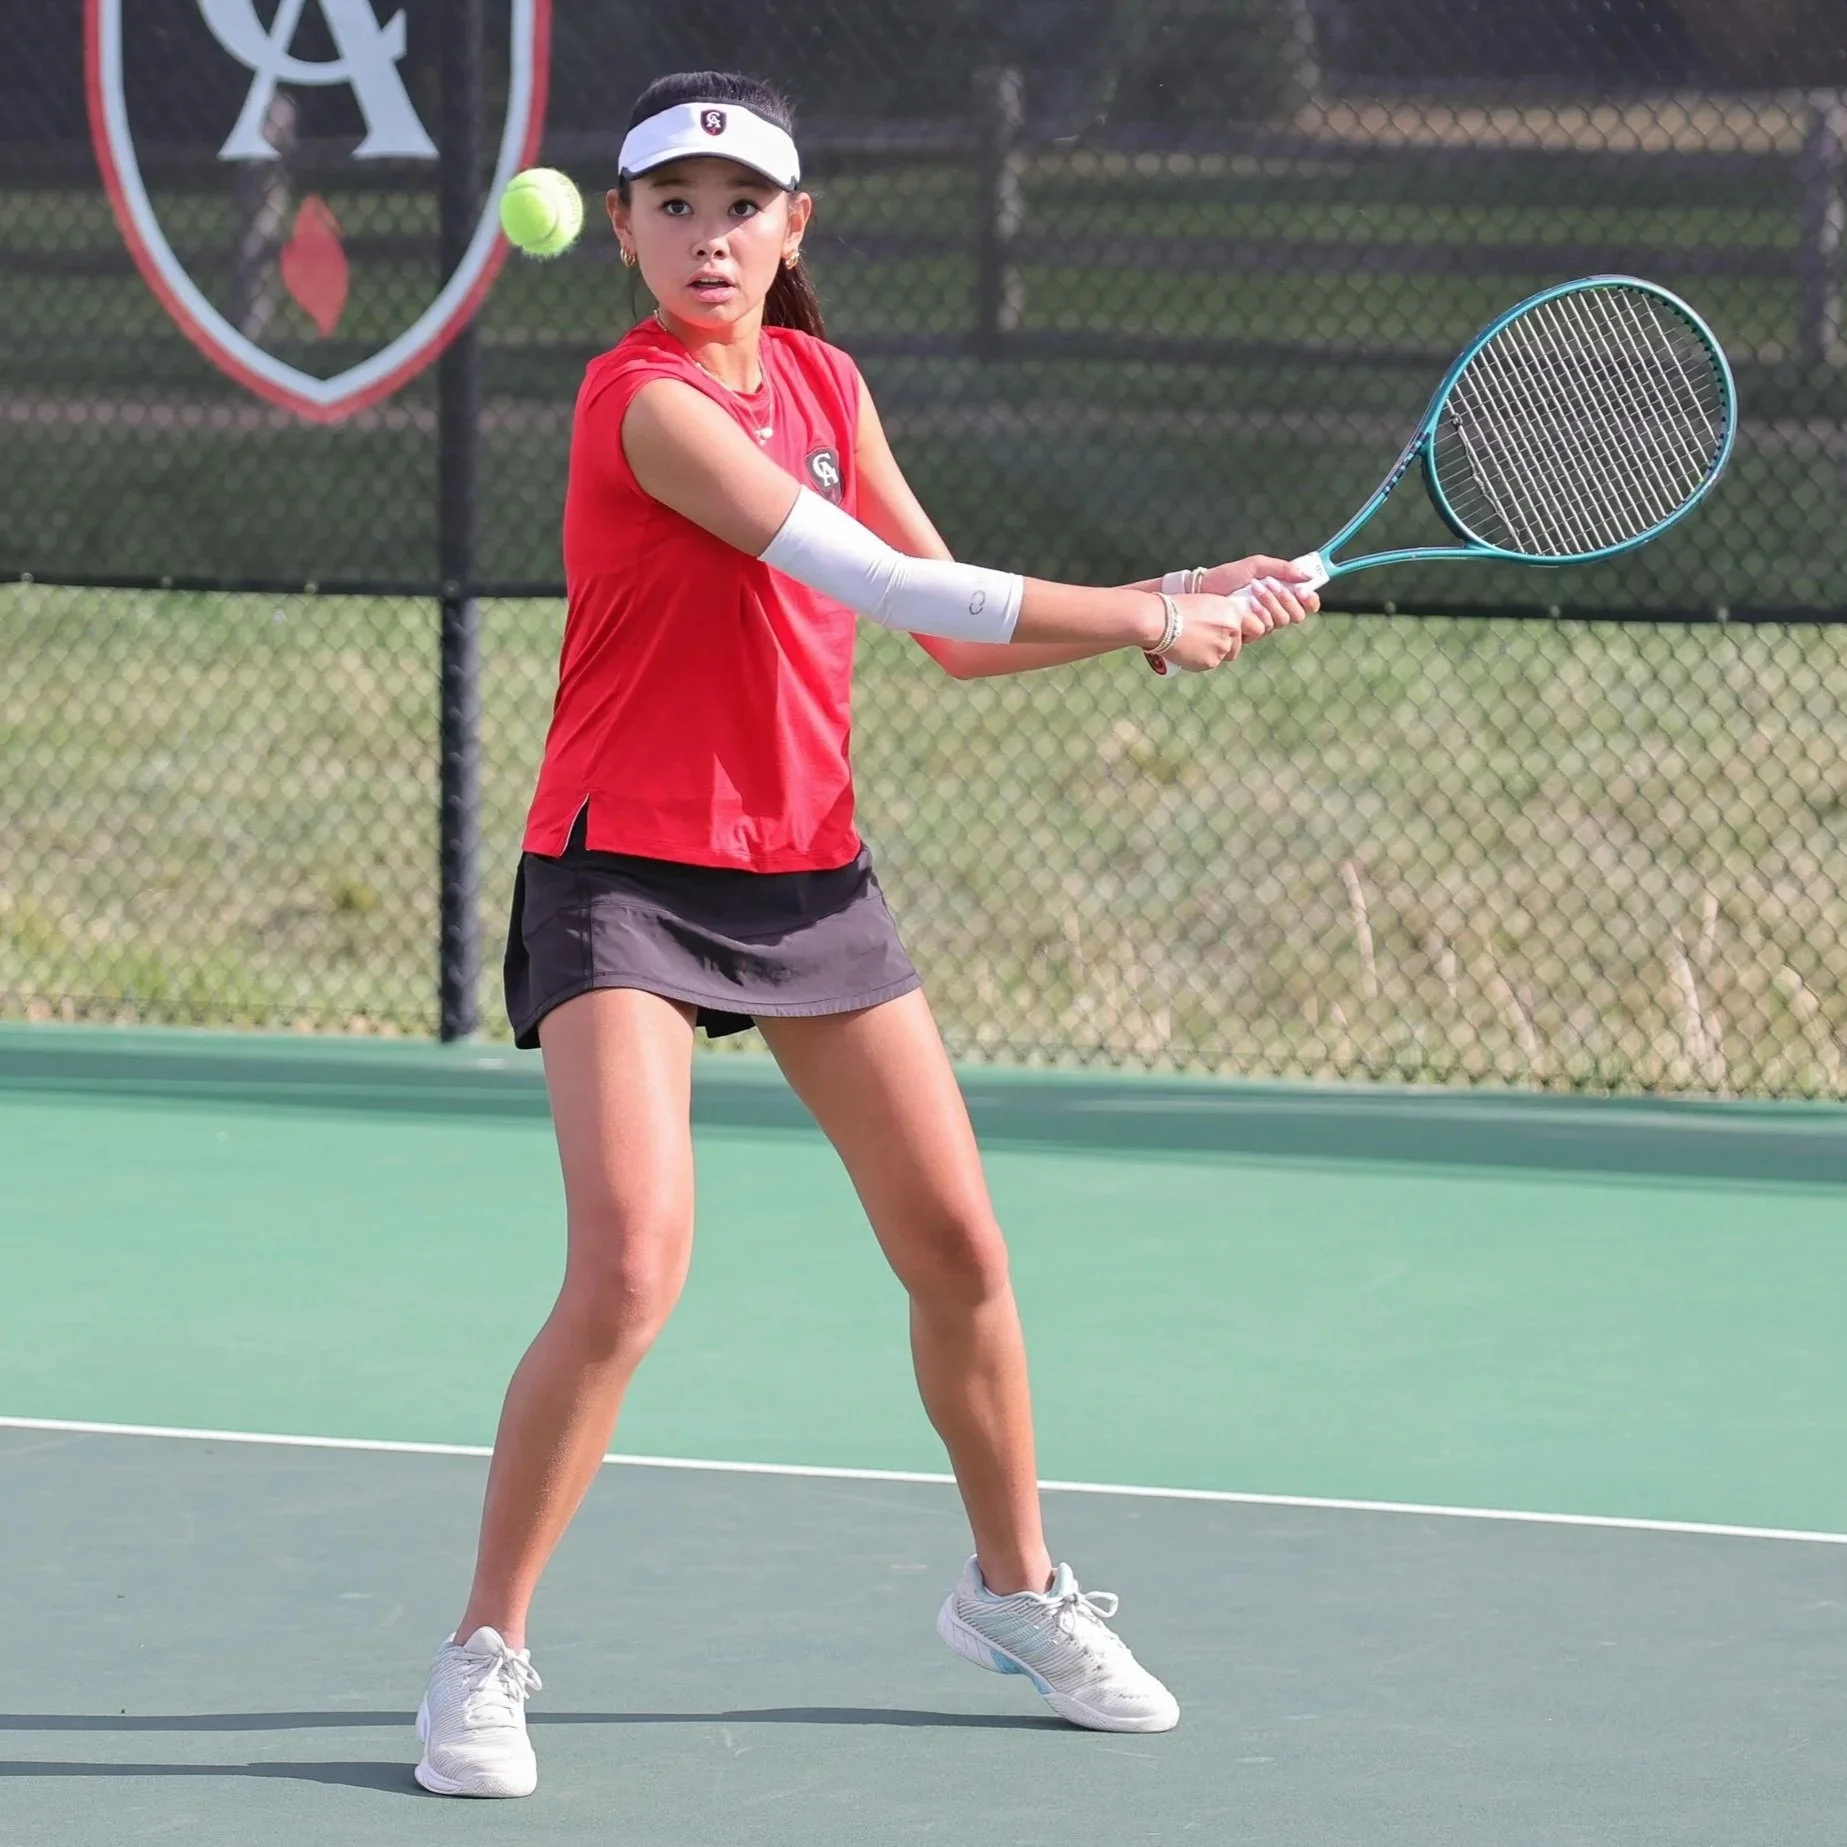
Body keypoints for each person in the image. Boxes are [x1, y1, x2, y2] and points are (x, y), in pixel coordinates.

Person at [414, 68, 1318, 1800]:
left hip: (806, 873)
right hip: (623, 876)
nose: (704, 235)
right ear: (617, 232)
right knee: (626, 1271)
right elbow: (896, 590)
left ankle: (1012, 1593)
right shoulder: (642, 406)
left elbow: (964, 639)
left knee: (961, 1251)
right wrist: (1149, 612)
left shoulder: (825, 381)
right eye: (669, 206)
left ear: (793, 227)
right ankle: (482, 1651)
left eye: (737, 205)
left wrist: (1176, 601)